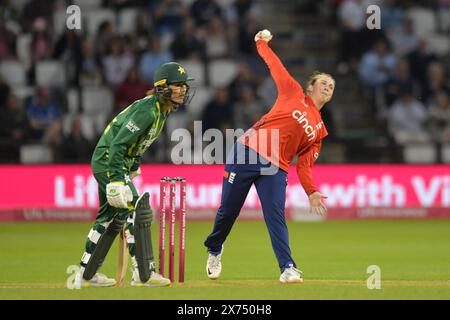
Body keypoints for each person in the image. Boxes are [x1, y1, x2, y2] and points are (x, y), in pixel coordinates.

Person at [204, 30, 335, 284]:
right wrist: (261, 43)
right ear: (311, 87)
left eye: (331, 86)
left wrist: (311, 191)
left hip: (276, 168)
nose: (328, 87)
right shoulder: (294, 92)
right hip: (247, 152)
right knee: (228, 212)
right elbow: (275, 65)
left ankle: (287, 268)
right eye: (323, 83)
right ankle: (215, 248)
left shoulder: (320, 131)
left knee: (275, 215)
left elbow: (305, 165)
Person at [74, 62, 194, 288]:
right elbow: (119, 143)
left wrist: (133, 164)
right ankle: (143, 271)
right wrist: (118, 178)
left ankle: (86, 273)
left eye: (184, 85)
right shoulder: (148, 110)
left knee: (108, 218)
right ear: (162, 87)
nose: (183, 90)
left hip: (115, 160)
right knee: (136, 210)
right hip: (109, 159)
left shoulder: (161, 111)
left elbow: (137, 144)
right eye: (177, 85)